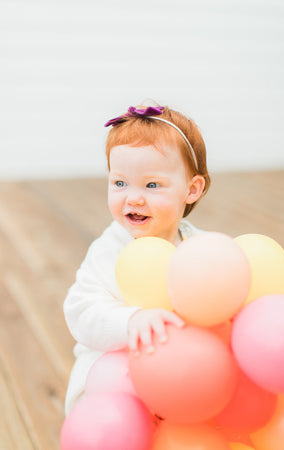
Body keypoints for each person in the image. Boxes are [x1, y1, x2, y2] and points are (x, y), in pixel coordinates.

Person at [63, 100, 210, 416]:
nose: (133, 197)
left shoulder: (199, 246)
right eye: (119, 183)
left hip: (183, 368)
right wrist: (130, 320)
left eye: (152, 184)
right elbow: (81, 310)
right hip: (118, 371)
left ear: (192, 189)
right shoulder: (109, 250)